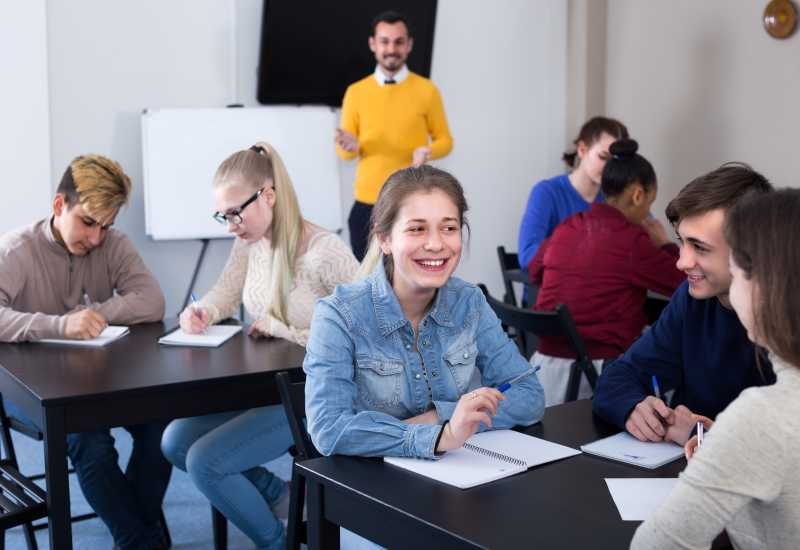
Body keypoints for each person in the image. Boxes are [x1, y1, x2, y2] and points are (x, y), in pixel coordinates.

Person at [161, 142, 358, 550]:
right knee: (174, 440)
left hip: (318, 396)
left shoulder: (324, 253)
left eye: (236, 212)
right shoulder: (250, 242)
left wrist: (282, 328)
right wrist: (203, 311)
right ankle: (277, 496)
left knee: (205, 463)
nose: (230, 225)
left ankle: (276, 543)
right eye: (224, 215)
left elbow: (365, 337)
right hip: (266, 385)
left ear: (268, 195)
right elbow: (226, 290)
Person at [304, 164, 544, 460]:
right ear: (384, 239)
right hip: (371, 481)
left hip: (457, 474)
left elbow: (529, 395)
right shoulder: (338, 315)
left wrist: (438, 418)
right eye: (417, 229)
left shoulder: (469, 301)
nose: (436, 244)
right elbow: (329, 429)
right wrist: (442, 434)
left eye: (449, 228)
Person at [0, 155, 170, 549]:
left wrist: (97, 314)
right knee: (90, 443)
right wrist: (58, 325)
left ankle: (136, 540)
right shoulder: (16, 251)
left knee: (163, 429)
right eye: (88, 222)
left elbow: (152, 300)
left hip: (98, 381)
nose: (95, 238)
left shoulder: (113, 244)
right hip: (29, 390)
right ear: (59, 205)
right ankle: (142, 541)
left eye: (105, 226)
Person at [631, 188, 800, 550]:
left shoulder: (763, 415)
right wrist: (723, 440)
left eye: (737, 273)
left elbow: (656, 545)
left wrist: (731, 440)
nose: (683, 262)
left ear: (764, 286)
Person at [592, 163, 775, 445]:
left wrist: (698, 435)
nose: (681, 262)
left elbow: (786, 447)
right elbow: (619, 376)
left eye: (699, 247)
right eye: (682, 242)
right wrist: (634, 407)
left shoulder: (787, 319)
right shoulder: (692, 300)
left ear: (750, 250)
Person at [528, 139, 684, 405]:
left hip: (543, 370)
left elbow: (534, 271)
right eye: (649, 203)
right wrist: (665, 244)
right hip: (596, 373)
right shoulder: (632, 240)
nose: (648, 214)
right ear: (637, 195)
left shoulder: (569, 224)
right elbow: (685, 282)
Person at [336, 10, 453, 261]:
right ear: (373, 44)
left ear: (409, 45)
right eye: (385, 41)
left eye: (399, 42)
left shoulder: (427, 91)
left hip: (410, 202)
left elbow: (445, 140)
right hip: (367, 207)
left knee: (410, 277)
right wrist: (350, 147)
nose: (391, 49)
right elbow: (344, 154)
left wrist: (427, 151)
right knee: (367, 278)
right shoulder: (356, 92)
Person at [518, 116, 628, 270]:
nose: (611, 168)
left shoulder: (618, 197)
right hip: (555, 284)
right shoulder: (547, 193)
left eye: (617, 162)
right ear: (582, 150)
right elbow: (527, 257)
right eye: (603, 157)